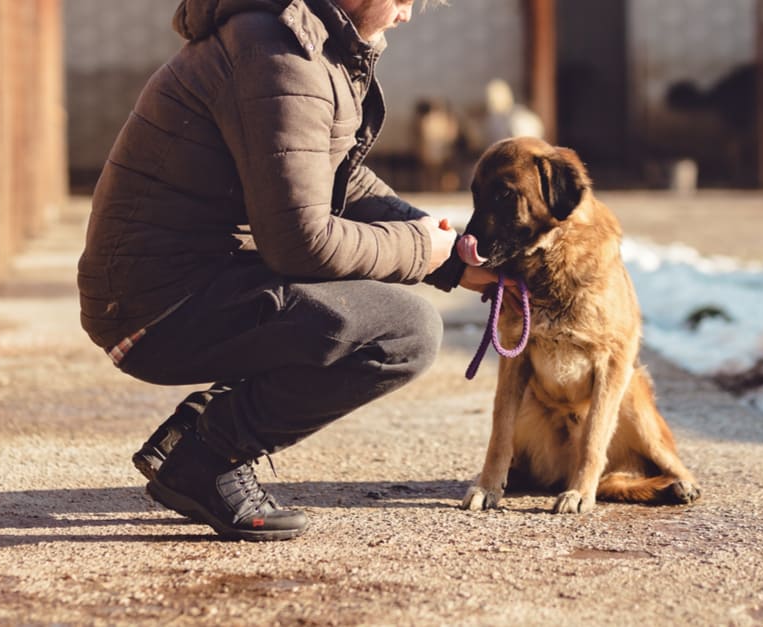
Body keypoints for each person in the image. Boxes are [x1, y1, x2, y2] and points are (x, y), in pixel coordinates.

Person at [78, 0, 500, 541]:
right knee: (405, 331)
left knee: (379, 309)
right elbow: (303, 242)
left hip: (171, 285)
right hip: (156, 307)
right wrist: (421, 251)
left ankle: (196, 433)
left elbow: (337, 179)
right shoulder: (280, 52)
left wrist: (443, 254)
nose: (406, 15)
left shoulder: (300, 38)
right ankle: (206, 457)